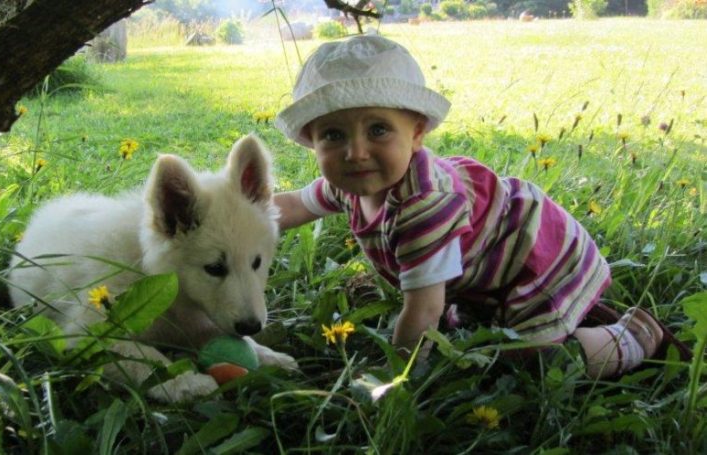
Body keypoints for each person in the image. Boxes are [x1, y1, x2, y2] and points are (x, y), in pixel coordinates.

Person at [273, 34, 684, 378]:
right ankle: (577, 318)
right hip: (487, 272)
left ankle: (632, 340)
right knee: (474, 336)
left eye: (378, 129)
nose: (355, 152)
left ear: (416, 133)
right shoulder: (350, 184)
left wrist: (396, 379)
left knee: (528, 364)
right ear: (312, 140)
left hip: (534, 257)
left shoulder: (422, 208)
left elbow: (424, 310)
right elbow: (292, 205)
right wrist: (229, 216)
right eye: (332, 135)